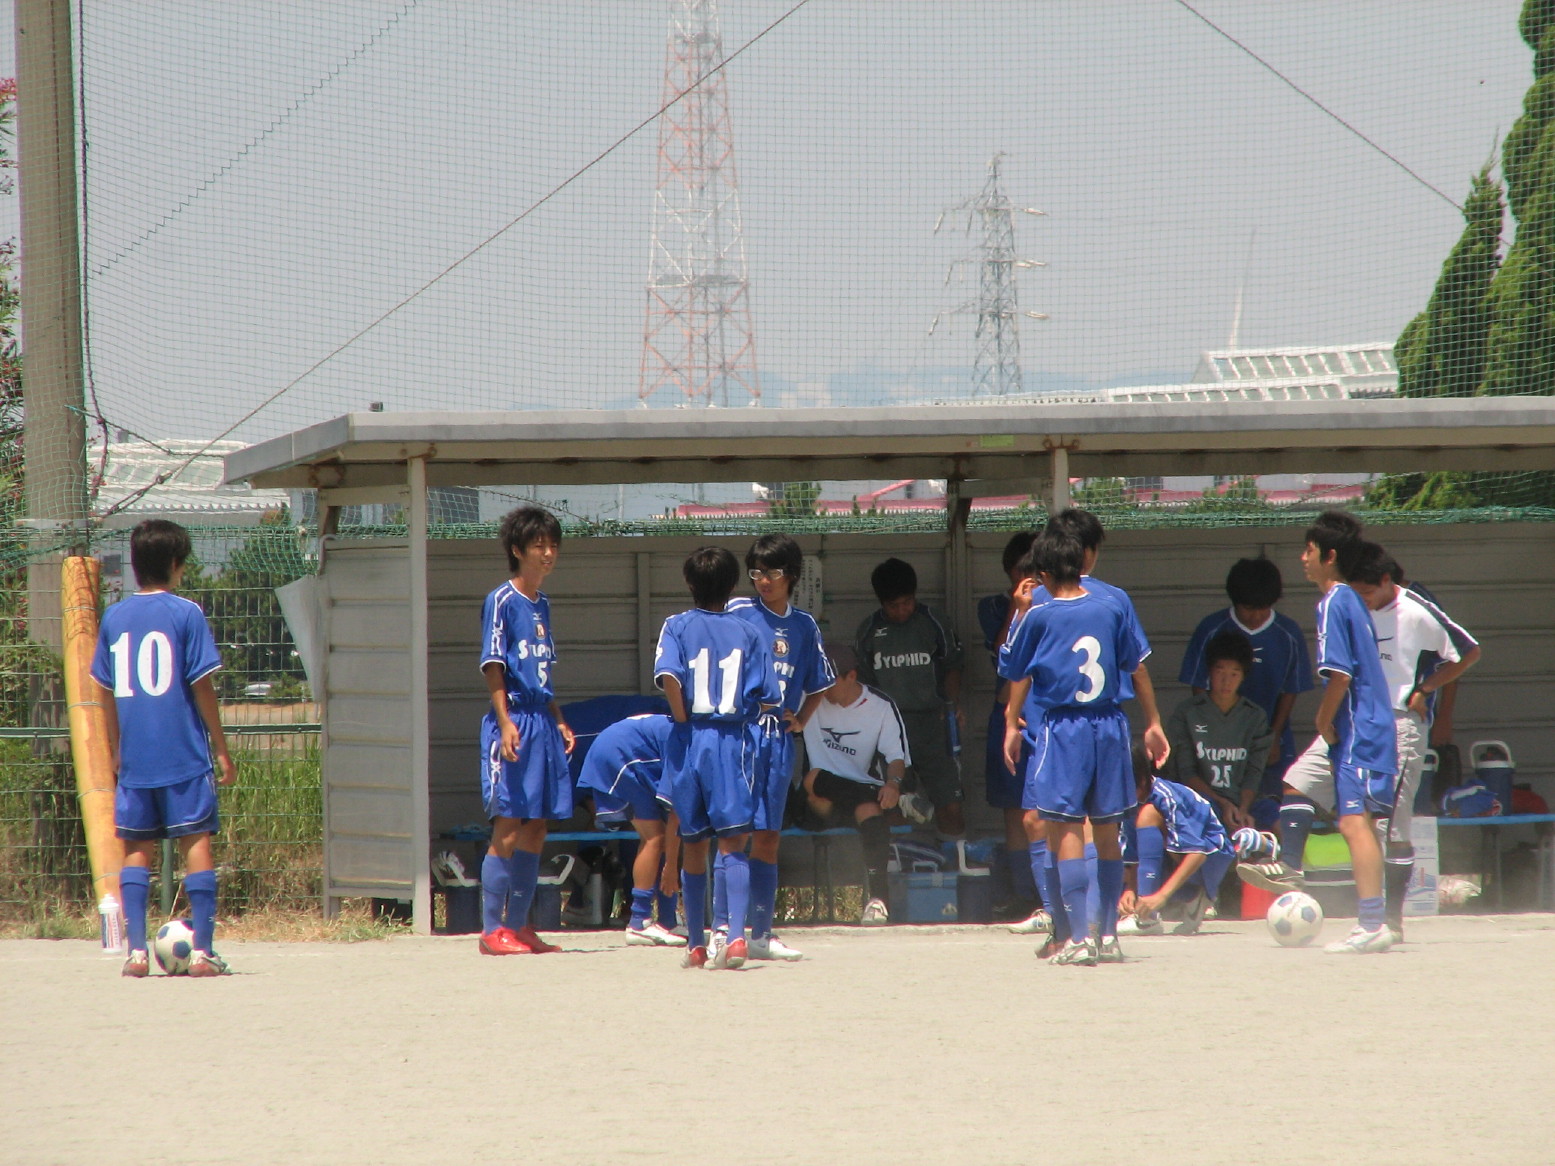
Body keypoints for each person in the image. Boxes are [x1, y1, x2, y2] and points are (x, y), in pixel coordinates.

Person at [1000, 525, 1169, 966]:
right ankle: (1109, 934)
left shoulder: (1040, 613)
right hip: (1112, 723)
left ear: (1041, 572)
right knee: (1109, 830)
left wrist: (1018, 612)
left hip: (1064, 727)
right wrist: (1152, 722)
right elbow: (1137, 667)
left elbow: (1011, 664)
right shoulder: (1112, 605)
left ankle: (1078, 937)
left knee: (1067, 826)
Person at [1237, 511, 1399, 955]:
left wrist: (1322, 721)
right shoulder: (1350, 600)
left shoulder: (1333, 602)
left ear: (1329, 556)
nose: (1301, 558)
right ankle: (1298, 870)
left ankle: (1372, 922)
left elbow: (1340, 676)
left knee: (1354, 822)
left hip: (1359, 729)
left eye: (1308, 550)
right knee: (1338, 809)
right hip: (1365, 728)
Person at [91, 519, 236, 978]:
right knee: (196, 841)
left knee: (136, 848)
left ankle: (135, 952)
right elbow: (202, 685)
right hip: (183, 753)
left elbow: (105, 691)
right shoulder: (186, 613)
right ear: (176, 565)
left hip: (136, 758)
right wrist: (221, 746)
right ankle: (203, 953)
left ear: (134, 566)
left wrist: (116, 748)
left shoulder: (114, 617)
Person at [1344, 541, 1480, 940]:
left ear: (1387, 581)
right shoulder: (1354, 610)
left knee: (1394, 824)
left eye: (1368, 592)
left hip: (1402, 724)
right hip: (1361, 723)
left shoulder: (1418, 610)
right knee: (1320, 795)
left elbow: (1467, 653)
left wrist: (1425, 690)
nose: (1363, 601)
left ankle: (1391, 919)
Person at [654, 546, 781, 970]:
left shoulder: (675, 625)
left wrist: (683, 717)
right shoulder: (750, 632)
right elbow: (768, 698)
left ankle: (694, 943)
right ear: (733, 586)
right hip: (732, 740)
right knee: (733, 841)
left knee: (693, 842)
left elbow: (669, 676)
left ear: (690, 583)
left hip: (690, 737)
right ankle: (737, 938)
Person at [723, 533, 834, 962]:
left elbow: (820, 682)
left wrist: (801, 720)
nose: (762, 580)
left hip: (777, 740)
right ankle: (724, 929)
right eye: (755, 572)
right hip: (737, 735)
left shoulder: (804, 625)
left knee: (768, 835)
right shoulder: (735, 612)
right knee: (733, 834)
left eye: (770, 572)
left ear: (791, 576)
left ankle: (762, 933)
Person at [477, 506, 577, 956]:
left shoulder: (545, 605)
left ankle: (519, 926)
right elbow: (494, 666)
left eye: (553, 545)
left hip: (542, 720)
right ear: (517, 550)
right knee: (510, 823)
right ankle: (490, 930)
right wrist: (505, 723)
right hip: (514, 719)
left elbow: (542, 673)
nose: (548, 553)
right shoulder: (501, 600)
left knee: (538, 824)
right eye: (539, 545)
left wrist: (558, 718)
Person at [1178, 557, 1313, 822]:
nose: (1255, 616)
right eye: (1248, 608)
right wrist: (1213, 733)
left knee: (1273, 806)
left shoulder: (1288, 633)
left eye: (1263, 608)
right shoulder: (1211, 629)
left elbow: (1291, 688)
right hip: (1219, 740)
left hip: (1270, 735)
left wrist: (1274, 735)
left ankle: (1272, 856)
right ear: (1234, 601)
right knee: (1222, 808)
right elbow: (1198, 686)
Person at [855, 557, 966, 838]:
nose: (902, 610)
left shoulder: (933, 621)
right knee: (893, 809)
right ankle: (898, 874)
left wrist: (951, 707)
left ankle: (953, 869)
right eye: (894, 605)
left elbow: (953, 666)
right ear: (881, 603)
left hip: (932, 727)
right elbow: (862, 685)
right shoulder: (868, 631)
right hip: (888, 733)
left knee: (951, 808)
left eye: (907, 602)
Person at [800, 643, 911, 924]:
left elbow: (897, 758)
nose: (823, 689)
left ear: (851, 676)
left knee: (870, 812)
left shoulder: (880, 706)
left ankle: (877, 901)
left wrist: (894, 784)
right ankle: (896, 799)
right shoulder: (808, 699)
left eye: (830, 681)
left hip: (861, 801)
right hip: (817, 803)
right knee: (814, 779)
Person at [977, 532, 1043, 925]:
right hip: (1009, 712)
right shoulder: (994, 607)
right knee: (1013, 808)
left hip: (1045, 712)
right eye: (1022, 572)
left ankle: (1048, 894)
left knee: (1048, 809)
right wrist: (1019, 608)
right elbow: (1003, 655)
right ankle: (1023, 893)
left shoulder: (1057, 605)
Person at [575, 712, 686, 947]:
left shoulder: (685, 731)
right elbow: (677, 811)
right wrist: (671, 868)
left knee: (660, 834)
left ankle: (667, 920)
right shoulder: (688, 741)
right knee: (654, 837)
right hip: (621, 754)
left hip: (619, 747)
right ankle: (639, 921)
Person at [1120, 743, 1237, 937]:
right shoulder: (1128, 805)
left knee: (1148, 814)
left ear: (1140, 781)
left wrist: (1161, 896)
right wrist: (1129, 890)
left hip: (1212, 854)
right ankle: (1191, 898)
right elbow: (1132, 857)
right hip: (1179, 859)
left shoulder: (1165, 796)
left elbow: (1197, 853)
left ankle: (1146, 919)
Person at [1165, 629, 1274, 831]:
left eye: (1234, 674)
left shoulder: (1255, 716)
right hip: (1202, 799)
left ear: (1243, 676)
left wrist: (1242, 808)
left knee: (1275, 816)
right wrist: (1222, 803)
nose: (1226, 681)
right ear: (1209, 672)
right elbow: (1186, 771)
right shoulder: (1188, 713)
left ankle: (1284, 862)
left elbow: (1254, 771)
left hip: (1243, 800)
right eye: (1220, 672)